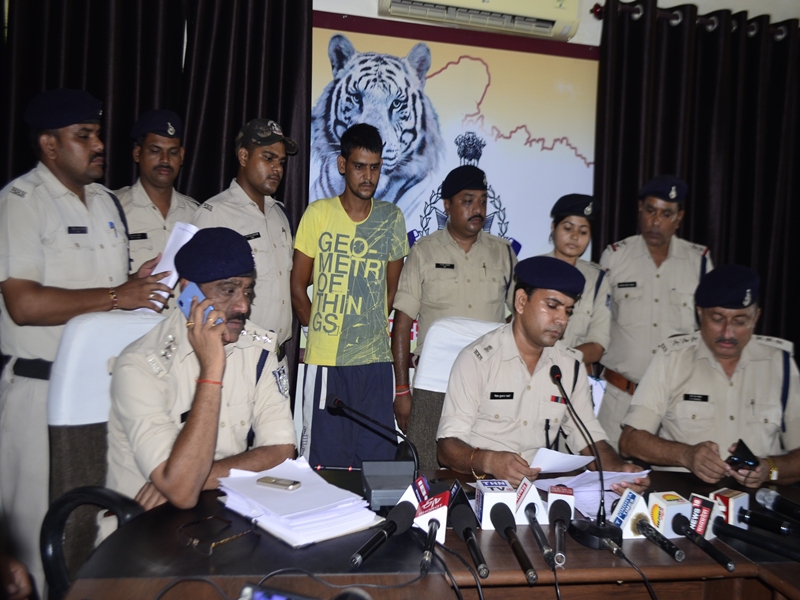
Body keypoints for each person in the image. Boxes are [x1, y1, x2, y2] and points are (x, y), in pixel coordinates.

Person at [0, 88, 171, 593]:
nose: (98, 144)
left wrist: (135, 283)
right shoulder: (21, 203)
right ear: (49, 145)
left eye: (97, 133)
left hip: (104, 392)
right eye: (84, 135)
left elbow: (105, 296)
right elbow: (23, 304)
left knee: (96, 532)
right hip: (40, 391)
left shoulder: (105, 202)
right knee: (40, 540)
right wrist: (119, 295)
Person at [105, 227, 296, 523]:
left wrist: (197, 477)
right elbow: (183, 493)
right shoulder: (140, 365)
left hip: (220, 514)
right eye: (228, 290)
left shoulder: (258, 350)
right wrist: (211, 371)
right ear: (188, 291)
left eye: (247, 291)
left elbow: (282, 451)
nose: (243, 306)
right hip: (143, 527)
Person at [436, 256, 648, 491]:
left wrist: (618, 471)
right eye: (552, 306)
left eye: (568, 311)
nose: (562, 320)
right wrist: (490, 461)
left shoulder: (569, 366)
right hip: (477, 487)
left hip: (537, 491)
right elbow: (447, 447)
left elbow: (589, 438)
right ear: (521, 301)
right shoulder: (477, 360)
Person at [291, 123, 408, 468]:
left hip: (375, 362)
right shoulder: (318, 214)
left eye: (374, 167)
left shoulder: (391, 218)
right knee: (326, 468)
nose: (368, 176)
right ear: (343, 165)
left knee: (377, 465)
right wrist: (318, 330)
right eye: (359, 166)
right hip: (328, 362)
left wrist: (367, 326)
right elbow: (297, 286)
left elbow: (391, 290)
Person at [619, 265, 800, 487]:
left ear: (756, 317)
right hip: (684, 497)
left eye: (740, 321)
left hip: (756, 502)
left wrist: (768, 469)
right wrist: (686, 455)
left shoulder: (780, 364)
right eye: (717, 319)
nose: (727, 333)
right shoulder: (672, 358)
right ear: (700, 313)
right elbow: (630, 441)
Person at [391, 165, 517, 441]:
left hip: (489, 384)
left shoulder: (503, 253)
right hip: (435, 383)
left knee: (486, 460)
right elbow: (402, 323)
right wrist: (402, 390)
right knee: (428, 459)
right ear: (447, 205)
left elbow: (523, 315)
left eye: (483, 201)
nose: (478, 209)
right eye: (468, 201)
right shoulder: (424, 251)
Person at [598, 175, 712, 449]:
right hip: (620, 398)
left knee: (674, 474)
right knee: (608, 471)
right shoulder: (615, 256)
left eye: (666, 214)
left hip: (674, 405)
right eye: (650, 210)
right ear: (640, 209)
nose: (655, 221)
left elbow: (708, 333)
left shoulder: (699, 262)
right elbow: (598, 323)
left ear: (679, 218)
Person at [192, 118, 297, 349]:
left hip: (276, 354)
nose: (277, 168)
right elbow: (190, 290)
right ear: (243, 157)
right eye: (268, 158)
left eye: (281, 162)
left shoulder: (279, 214)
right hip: (233, 352)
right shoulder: (216, 213)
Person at [116, 109, 198, 274]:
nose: (165, 160)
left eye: (173, 152)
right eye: (155, 151)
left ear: (182, 156)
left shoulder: (195, 213)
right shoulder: (115, 208)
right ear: (137, 153)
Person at [542, 193, 610, 366]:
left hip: (574, 371)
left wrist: (561, 360)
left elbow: (597, 344)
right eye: (567, 228)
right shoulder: (534, 270)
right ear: (553, 227)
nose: (574, 236)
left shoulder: (598, 280)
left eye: (583, 231)